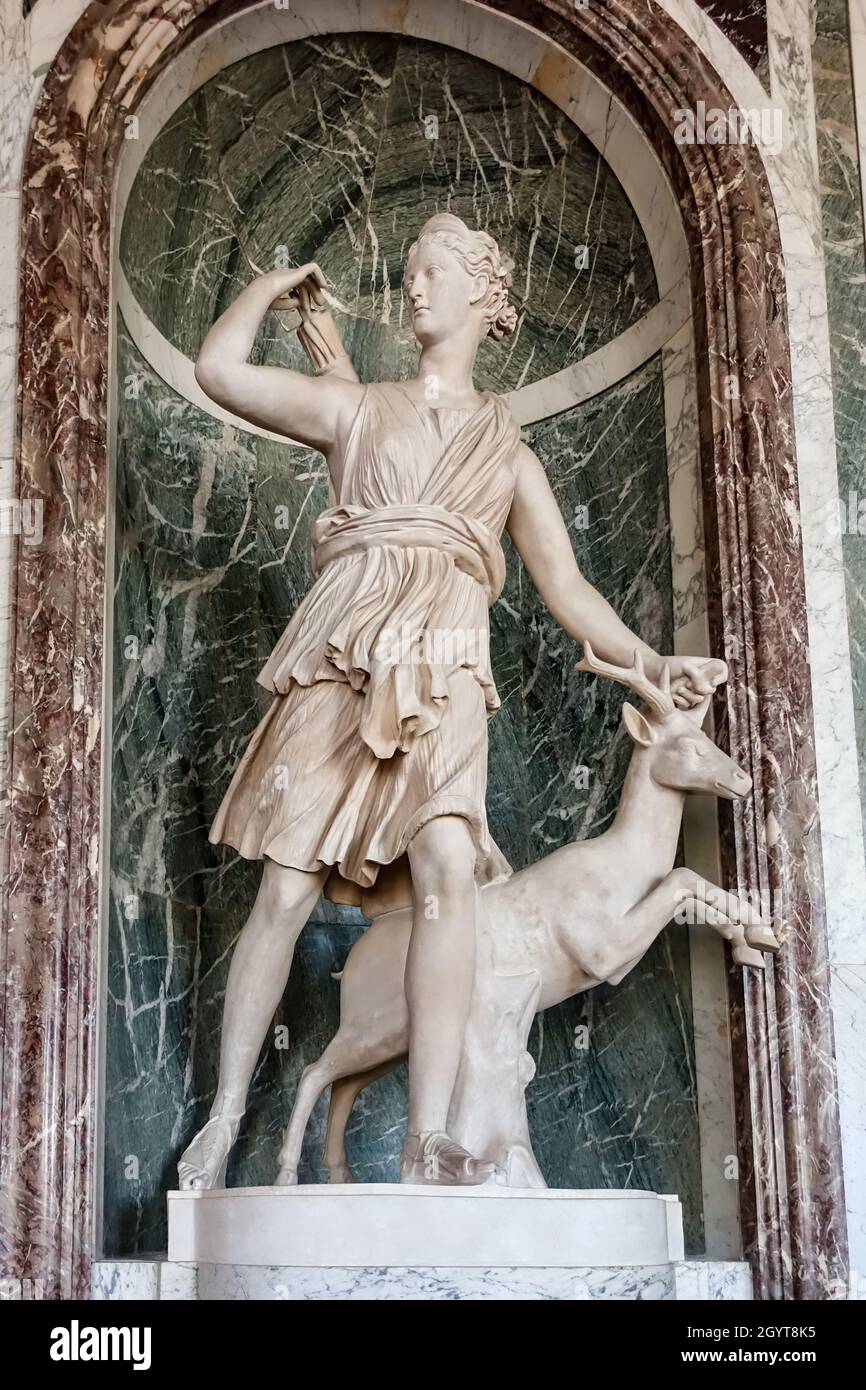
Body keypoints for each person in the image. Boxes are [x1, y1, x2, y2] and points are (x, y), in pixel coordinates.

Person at [177, 213, 721, 1190]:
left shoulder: (505, 448)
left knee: (444, 875)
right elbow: (218, 372)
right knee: (286, 889)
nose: (412, 287)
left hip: (446, 663)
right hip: (340, 649)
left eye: (431, 270)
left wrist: (651, 661)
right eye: (408, 272)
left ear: (481, 290)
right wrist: (265, 285)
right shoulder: (354, 407)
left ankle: (427, 1137)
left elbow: (566, 590)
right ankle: (219, 1124)